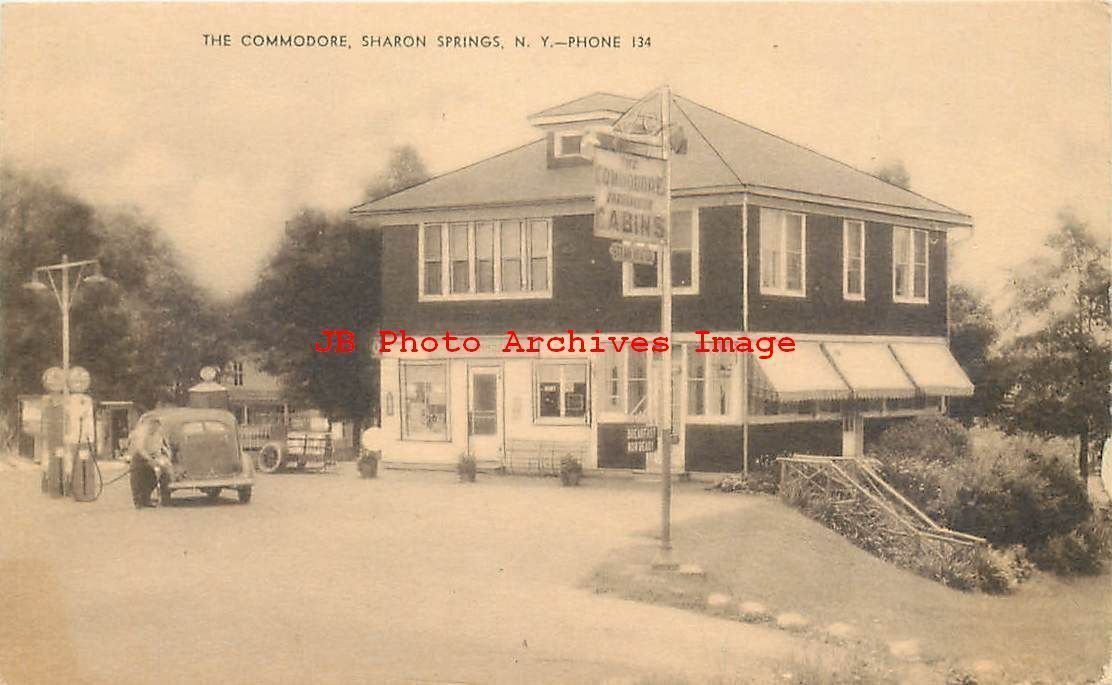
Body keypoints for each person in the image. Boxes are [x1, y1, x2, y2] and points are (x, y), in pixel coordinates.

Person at [128, 419, 170, 508]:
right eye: (153, 427)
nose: (154, 429)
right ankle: (138, 501)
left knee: (152, 479)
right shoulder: (143, 434)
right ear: (150, 426)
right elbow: (140, 449)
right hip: (140, 458)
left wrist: (163, 456)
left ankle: (146, 499)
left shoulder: (158, 434)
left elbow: (160, 446)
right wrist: (150, 459)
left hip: (152, 457)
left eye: (156, 427)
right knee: (138, 480)